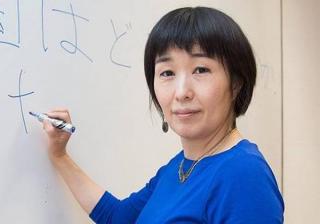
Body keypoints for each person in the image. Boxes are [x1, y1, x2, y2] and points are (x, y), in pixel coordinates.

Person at [41, 6, 284, 223]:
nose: (181, 92)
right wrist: (60, 156)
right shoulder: (179, 167)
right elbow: (119, 218)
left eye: (201, 69)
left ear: (236, 84)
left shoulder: (244, 174)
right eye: (167, 73)